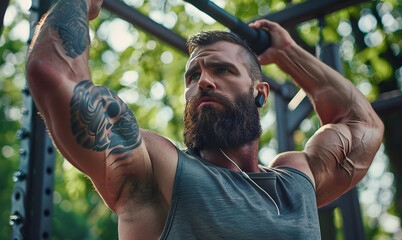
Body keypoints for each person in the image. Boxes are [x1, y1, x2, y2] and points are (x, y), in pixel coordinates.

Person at [26, 0, 384, 239]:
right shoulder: (156, 167)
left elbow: (362, 123)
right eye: (192, 75)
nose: (203, 81)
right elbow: (54, 74)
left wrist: (287, 53)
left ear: (260, 93)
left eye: (222, 69)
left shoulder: (297, 180)